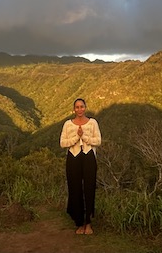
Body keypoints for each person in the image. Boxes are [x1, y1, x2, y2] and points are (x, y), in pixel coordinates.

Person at [60, 97, 101, 235]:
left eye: (82, 106)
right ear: (74, 109)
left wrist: (84, 138)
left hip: (89, 156)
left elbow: (98, 141)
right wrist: (76, 138)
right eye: (77, 107)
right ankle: (79, 222)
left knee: (89, 189)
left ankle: (88, 223)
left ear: (85, 107)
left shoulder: (93, 122)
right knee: (75, 189)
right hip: (73, 157)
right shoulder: (67, 124)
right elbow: (62, 143)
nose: (79, 109)